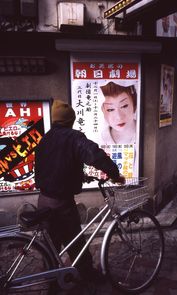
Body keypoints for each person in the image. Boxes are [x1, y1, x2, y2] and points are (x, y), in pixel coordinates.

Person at [34, 99, 125, 284]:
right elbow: (94, 154)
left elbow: (55, 167)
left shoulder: (45, 139)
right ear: (70, 121)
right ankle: (88, 275)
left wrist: (80, 176)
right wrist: (115, 174)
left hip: (43, 199)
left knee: (51, 244)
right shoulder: (74, 137)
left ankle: (52, 280)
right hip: (61, 203)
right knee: (74, 239)